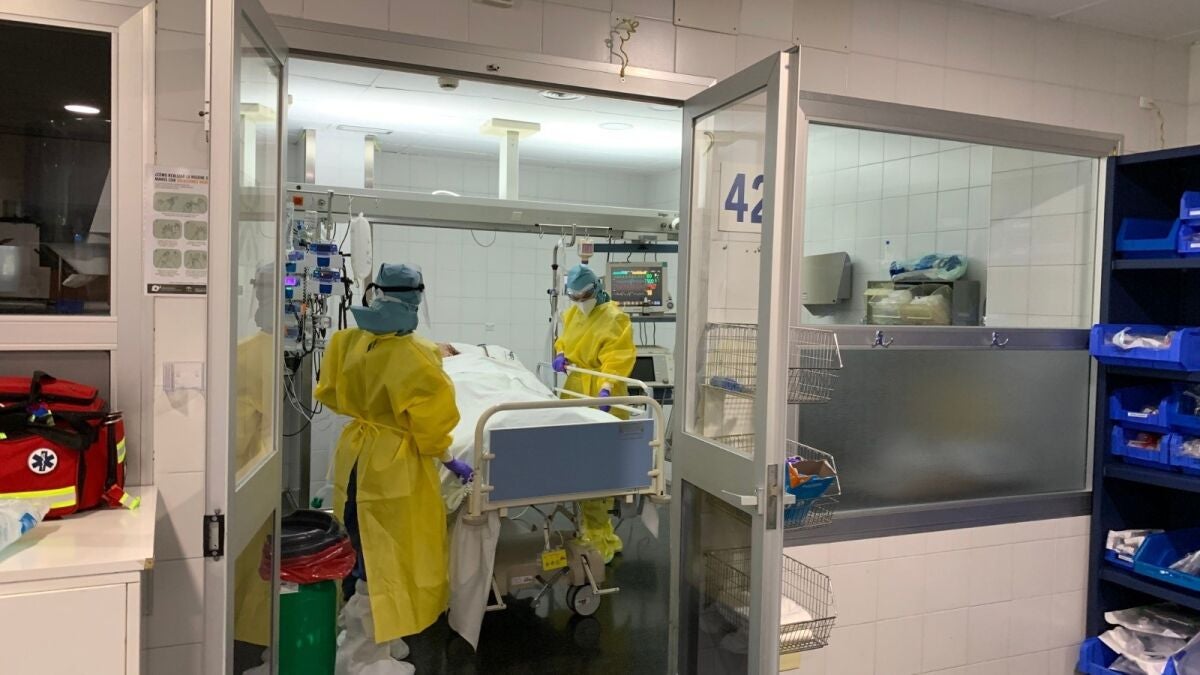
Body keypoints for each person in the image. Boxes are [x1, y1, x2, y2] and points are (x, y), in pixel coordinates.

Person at [314, 263, 472, 675]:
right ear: (417, 297)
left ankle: (377, 635)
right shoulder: (417, 357)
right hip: (393, 466)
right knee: (386, 559)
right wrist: (448, 458)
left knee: (357, 543)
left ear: (376, 293)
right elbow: (431, 426)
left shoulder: (348, 341)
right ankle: (363, 656)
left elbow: (330, 392)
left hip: (355, 455)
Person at [552, 263, 636, 563]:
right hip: (577, 389)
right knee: (579, 466)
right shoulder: (573, 313)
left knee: (597, 470)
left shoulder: (615, 317)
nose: (579, 302)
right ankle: (590, 530)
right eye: (573, 297)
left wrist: (606, 389)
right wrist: (561, 354)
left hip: (604, 391)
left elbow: (617, 357)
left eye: (583, 296)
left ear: (596, 289)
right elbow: (565, 339)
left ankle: (600, 537)